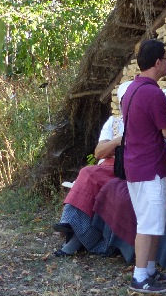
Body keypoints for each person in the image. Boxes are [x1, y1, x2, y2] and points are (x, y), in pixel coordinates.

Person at [121, 39, 166, 293]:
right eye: (165, 59)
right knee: (147, 223)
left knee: (155, 220)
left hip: (135, 163)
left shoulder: (131, 89)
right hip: (150, 166)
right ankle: (140, 276)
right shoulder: (153, 93)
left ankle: (151, 270)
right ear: (158, 63)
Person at [52, 80, 130, 257]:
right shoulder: (114, 123)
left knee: (88, 174)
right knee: (89, 173)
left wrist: (113, 146)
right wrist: (118, 141)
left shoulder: (142, 123)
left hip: (125, 171)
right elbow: (99, 152)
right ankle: (72, 228)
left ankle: (71, 228)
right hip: (107, 167)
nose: (127, 105)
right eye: (124, 101)